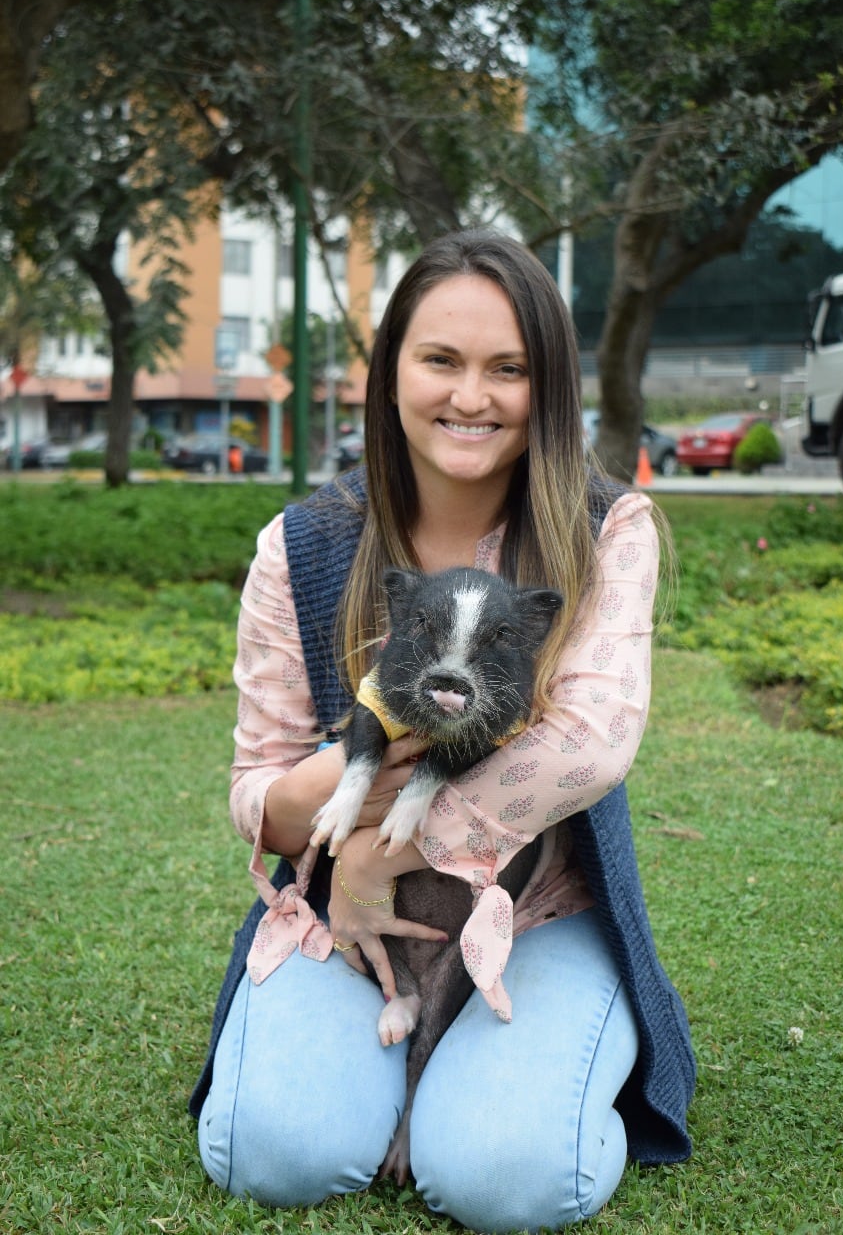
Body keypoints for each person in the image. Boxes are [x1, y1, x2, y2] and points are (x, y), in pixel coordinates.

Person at [190, 230, 695, 1231]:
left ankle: (580, 1035)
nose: (473, 396)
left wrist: (399, 841)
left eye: (509, 367)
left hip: (535, 905)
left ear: (548, 385)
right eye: (441, 360)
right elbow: (259, 784)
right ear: (389, 375)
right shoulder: (305, 543)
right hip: (350, 913)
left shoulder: (602, 528)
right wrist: (348, 831)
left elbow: (588, 741)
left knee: (505, 1179)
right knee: (274, 1150)